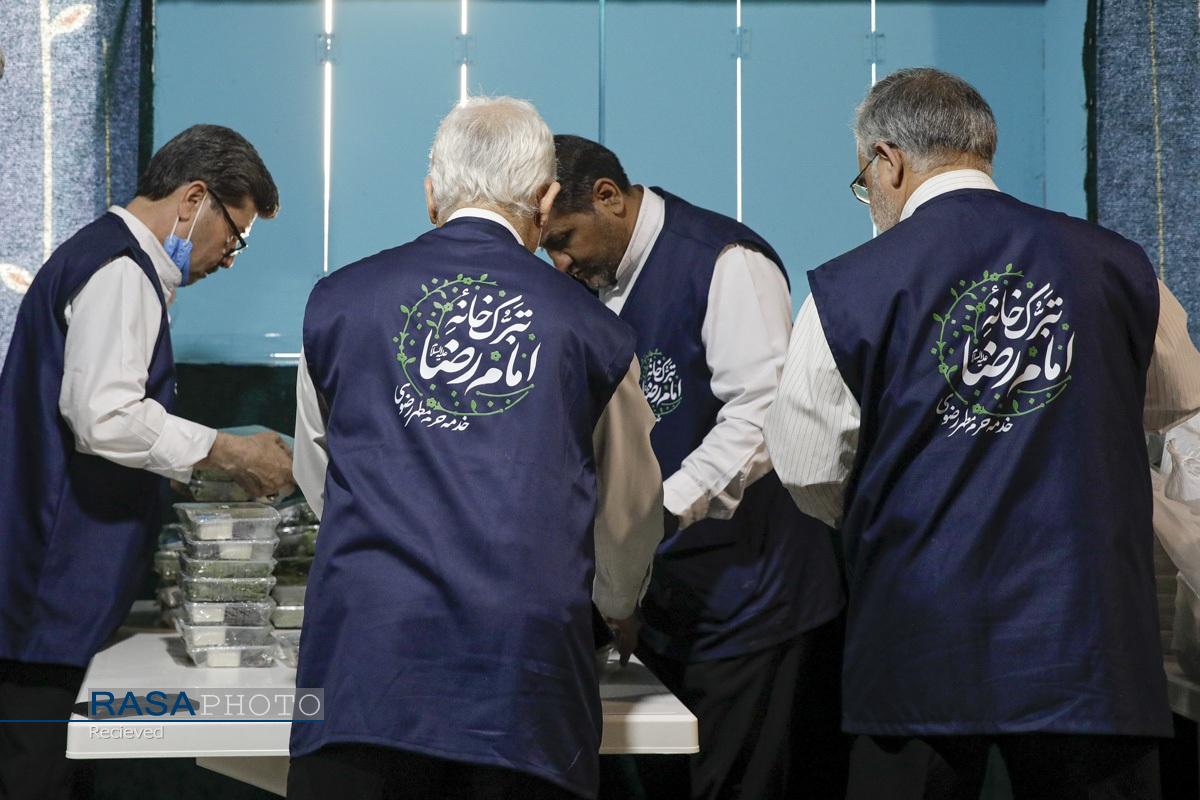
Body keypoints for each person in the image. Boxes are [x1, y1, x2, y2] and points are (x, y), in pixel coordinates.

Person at [764, 67, 1200, 799]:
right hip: (1087, 635)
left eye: (864, 182)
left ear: (887, 161)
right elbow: (1175, 402)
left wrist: (897, 507)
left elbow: (809, 468)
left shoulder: (847, 287)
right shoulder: (1117, 264)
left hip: (920, 635)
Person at [287, 97, 664, 800]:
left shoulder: (337, 302)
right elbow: (626, 510)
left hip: (361, 660)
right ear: (545, 200)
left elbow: (320, 475)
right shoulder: (594, 332)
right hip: (522, 674)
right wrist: (616, 602)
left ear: (432, 195)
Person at [543, 135, 849, 799]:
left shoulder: (724, 261)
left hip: (754, 599)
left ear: (608, 198)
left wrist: (650, 518)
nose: (559, 261)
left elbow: (760, 418)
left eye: (564, 239)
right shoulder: (584, 284)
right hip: (661, 600)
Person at [0, 124, 295, 800]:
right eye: (235, 235)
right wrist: (230, 452)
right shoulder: (119, 271)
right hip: (48, 593)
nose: (229, 258)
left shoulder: (107, 259)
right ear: (194, 199)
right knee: (35, 775)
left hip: (52, 591)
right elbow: (105, 418)